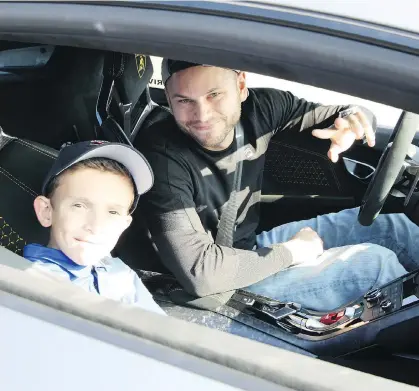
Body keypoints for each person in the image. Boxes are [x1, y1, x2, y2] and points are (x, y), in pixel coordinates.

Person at [140, 59, 419, 312]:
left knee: (393, 227)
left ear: (240, 85)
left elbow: (342, 113)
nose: (202, 115)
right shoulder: (162, 158)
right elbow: (202, 274)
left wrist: (354, 121)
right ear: (168, 98)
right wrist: (292, 252)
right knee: (374, 264)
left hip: (251, 248)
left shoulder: (262, 108)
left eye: (214, 95)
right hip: (220, 287)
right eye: (184, 101)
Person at [24, 140, 165, 315]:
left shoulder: (121, 274)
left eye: (113, 212)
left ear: (124, 225)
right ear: (46, 211)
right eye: (79, 206)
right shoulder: (29, 284)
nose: (96, 226)